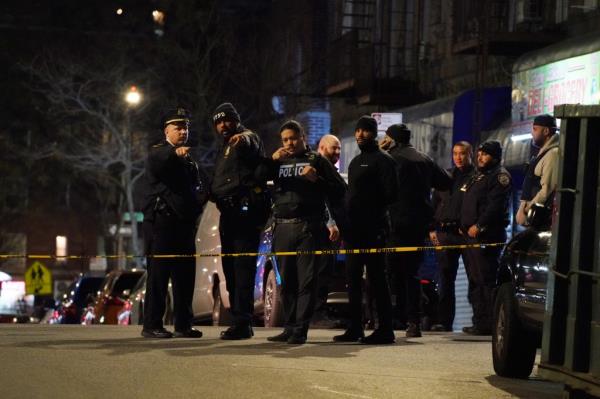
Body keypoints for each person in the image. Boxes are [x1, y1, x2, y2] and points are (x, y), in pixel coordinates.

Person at [257, 120, 345, 345]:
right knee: (286, 282)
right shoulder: (279, 161)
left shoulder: (316, 160)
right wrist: (270, 161)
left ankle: (300, 329)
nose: (289, 143)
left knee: (306, 282)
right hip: (282, 227)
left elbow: (340, 190)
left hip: (308, 228)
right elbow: (255, 179)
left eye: (293, 138)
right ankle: (288, 327)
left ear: (303, 137)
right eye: (285, 139)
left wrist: (317, 179)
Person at [141, 107, 208, 339]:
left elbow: (198, 186)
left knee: (185, 277)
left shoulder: (187, 158)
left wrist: (200, 202)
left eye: (186, 127)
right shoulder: (160, 152)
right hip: (163, 224)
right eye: (178, 127)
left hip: (184, 224)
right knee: (159, 276)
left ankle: (183, 324)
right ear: (166, 131)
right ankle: (151, 324)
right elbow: (157, 160)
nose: (183, 131)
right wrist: (175, 154)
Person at [333, 116, 398, 345]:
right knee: (352, 279)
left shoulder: (384, 161)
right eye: (358, 130)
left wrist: (371, 210)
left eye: (366, 131)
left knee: (377, 280)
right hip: (353, 232)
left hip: (374, 230)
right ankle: (355, 327)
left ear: (374, 133)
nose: (360, 134)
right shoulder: (355, 162)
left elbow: (391, 195)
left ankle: (385, 329)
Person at [382, 123, 452, 338]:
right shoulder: (424, 159)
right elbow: (446, 181)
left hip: (393, 225)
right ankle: (414, 322)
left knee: (389, 273)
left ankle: (390, 319)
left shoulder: (388, 158)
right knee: (412, 274)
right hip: (417, 226)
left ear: (392, 139)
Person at [210, 102, 269, 340]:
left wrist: (241, 140)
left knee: (242, 271)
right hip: (228, 215)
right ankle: (238, 320)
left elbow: (250, 141)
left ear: (236, 120)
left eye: (227, 120)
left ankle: (243, 322)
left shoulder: (246, 137)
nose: (224, 125)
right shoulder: (223, 147)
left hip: (245, 215)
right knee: (230, 271)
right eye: (219, 122)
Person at [460, 140, 512, 335]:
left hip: (485, 236)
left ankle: (491, 323)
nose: (480, 157)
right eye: (479, 153)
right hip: (470, 236)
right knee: (475, 280)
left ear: (495, 157)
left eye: (485, 154)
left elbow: (495, 207)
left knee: (486, 280)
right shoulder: (479, 175)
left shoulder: (499, 176)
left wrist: (479, 226)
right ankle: (479, 321)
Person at [429, 141, 476, 332]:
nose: (458, 157)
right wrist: (432, 231)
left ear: (470, 154)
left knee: (475, 278)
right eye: (455, 153)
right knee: (445, 279)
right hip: (444, 234)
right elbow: (433, 205)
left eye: (462, 153)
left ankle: (479, 321)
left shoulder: (476, 178)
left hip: (465, 235)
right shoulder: (446, 176)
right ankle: (444, 321)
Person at [312, 134, 346, 327]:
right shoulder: (319, 169)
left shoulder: (329, 170)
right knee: (321, 271)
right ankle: (317, 315)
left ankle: (318, 313)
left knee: (325, 272)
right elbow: (322, 199)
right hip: (322, 230)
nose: (337, 152)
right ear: (322, 147)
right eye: (334, 148)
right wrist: (330, 222)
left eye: (339, 149)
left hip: (330, 231)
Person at [516, 114, 559, 226]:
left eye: (535, 129)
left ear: (545, 131)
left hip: (540, 218)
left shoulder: (552, 154)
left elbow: (547, 190)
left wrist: (528, 209)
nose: (532, 133)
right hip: (533, 218)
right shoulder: (543, 153)